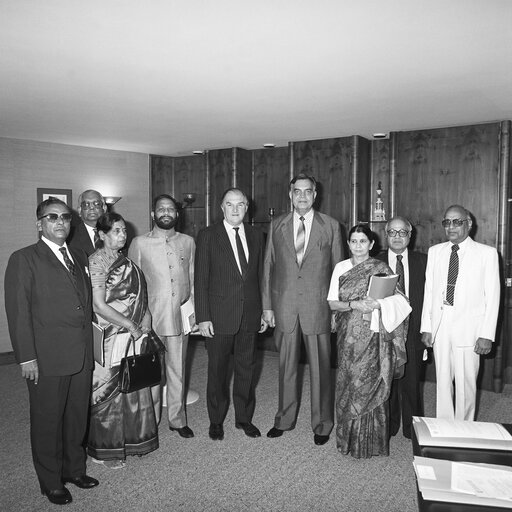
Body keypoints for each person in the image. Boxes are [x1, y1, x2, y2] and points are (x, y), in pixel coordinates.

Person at [4, 197, 98, 505]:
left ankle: (74, 468)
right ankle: (50, 481)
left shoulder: (80, 255)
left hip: (81, 355)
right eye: (52, 217)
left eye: (65, 217)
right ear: (40, 223)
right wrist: (27, 356)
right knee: (47, 420)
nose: (60, 222)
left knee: (76, 417)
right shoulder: (24, 258)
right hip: (46, 358)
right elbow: (18, 313)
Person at [262, 173, 342, 446]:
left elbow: (339, 274)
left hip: (318, 309)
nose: (303, 196)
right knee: (285, 368)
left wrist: (336, 311)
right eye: (298, 191)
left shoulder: (331, 226)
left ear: (315, 194)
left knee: (321, 370)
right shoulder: (277, 225)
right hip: (284, 308)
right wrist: (267, 307)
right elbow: (268, 269)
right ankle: (284, 419)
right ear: (290, 194)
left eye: (308, 191)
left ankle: (322, 424)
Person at [328, 224, 409, 458]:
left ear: (372, 245)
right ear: (348, 244)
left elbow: (400, 299)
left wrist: (379, 304)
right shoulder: (340, 267)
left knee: (370, 384)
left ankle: (371, 443)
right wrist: (354, 304)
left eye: (362, 241)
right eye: (353, 241)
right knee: (348, 382)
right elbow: (333, 303)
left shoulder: (381, 268)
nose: (358, 246)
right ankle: (348, 440)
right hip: (348, 335)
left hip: (374, 335)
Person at [87, 212, 159, 469]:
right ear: (101, 235)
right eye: (115, 231)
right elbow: (98, 304)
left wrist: (147, 317)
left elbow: (138, 294)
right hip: (110, 334)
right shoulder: (97, 262)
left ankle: (131, 440)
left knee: (133, 383)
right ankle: (104, 450)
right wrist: (130, 325)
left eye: (123, 231)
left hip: (134, 332)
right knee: (108, 391)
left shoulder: (123, 260)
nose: (121, 236)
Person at [194, 188, 267, 441]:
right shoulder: (207, 235)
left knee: (246, 369)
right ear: (221, 207)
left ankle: (244, 418)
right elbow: (200, 279)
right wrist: (203, 317)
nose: (235, 209)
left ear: (247, 207)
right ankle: (216, 420)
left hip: (249, 315)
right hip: (218, 317)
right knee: (217, 371)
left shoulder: (258, 235)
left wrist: (262, 312)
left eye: (240, 204)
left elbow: (259, 277)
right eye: (229, 204)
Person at [421, 205, 500, 420]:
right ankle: (445, 428)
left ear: (469, 223)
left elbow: (493, 298)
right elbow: (429, 292)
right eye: (447, 222)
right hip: (441, 324)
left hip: (470, 328)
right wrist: (427, 327)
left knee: (466, 385)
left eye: (457, 221)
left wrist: (486, 334)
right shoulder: (435, 252)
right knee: (443, 381)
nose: (451, 227)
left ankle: (464, 429)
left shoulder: (487, 254)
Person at [128, 194, 195, 439]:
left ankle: (177, 420)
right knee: (153, 374)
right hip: (151, 321)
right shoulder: (139, 243)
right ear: (153, 214)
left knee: (178, 370)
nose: (166, 212)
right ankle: (151, 421)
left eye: (170, 209)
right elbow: (133, 285)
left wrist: (193, 313)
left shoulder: (188, 241)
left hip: (179, 318)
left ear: (177, 214)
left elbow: (193, 276)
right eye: (160, 209)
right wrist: (141, 315)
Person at [376, 216, 427, 439]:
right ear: (386, 235)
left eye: (402, 232)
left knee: (412, 381)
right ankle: (390, 424)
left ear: (410, 235)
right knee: (387, 382)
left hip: (414, 330)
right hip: (384, 332)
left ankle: (412, 427)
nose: (397, 237)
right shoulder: (374, 262)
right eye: (392, 232)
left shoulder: (423, 261)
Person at [68, 189, 107, 256]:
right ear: (80, 211)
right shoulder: (70, 236)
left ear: (104, 208)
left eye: (97, 204)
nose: (91, 207)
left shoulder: (114, 232)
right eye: (86, 204)